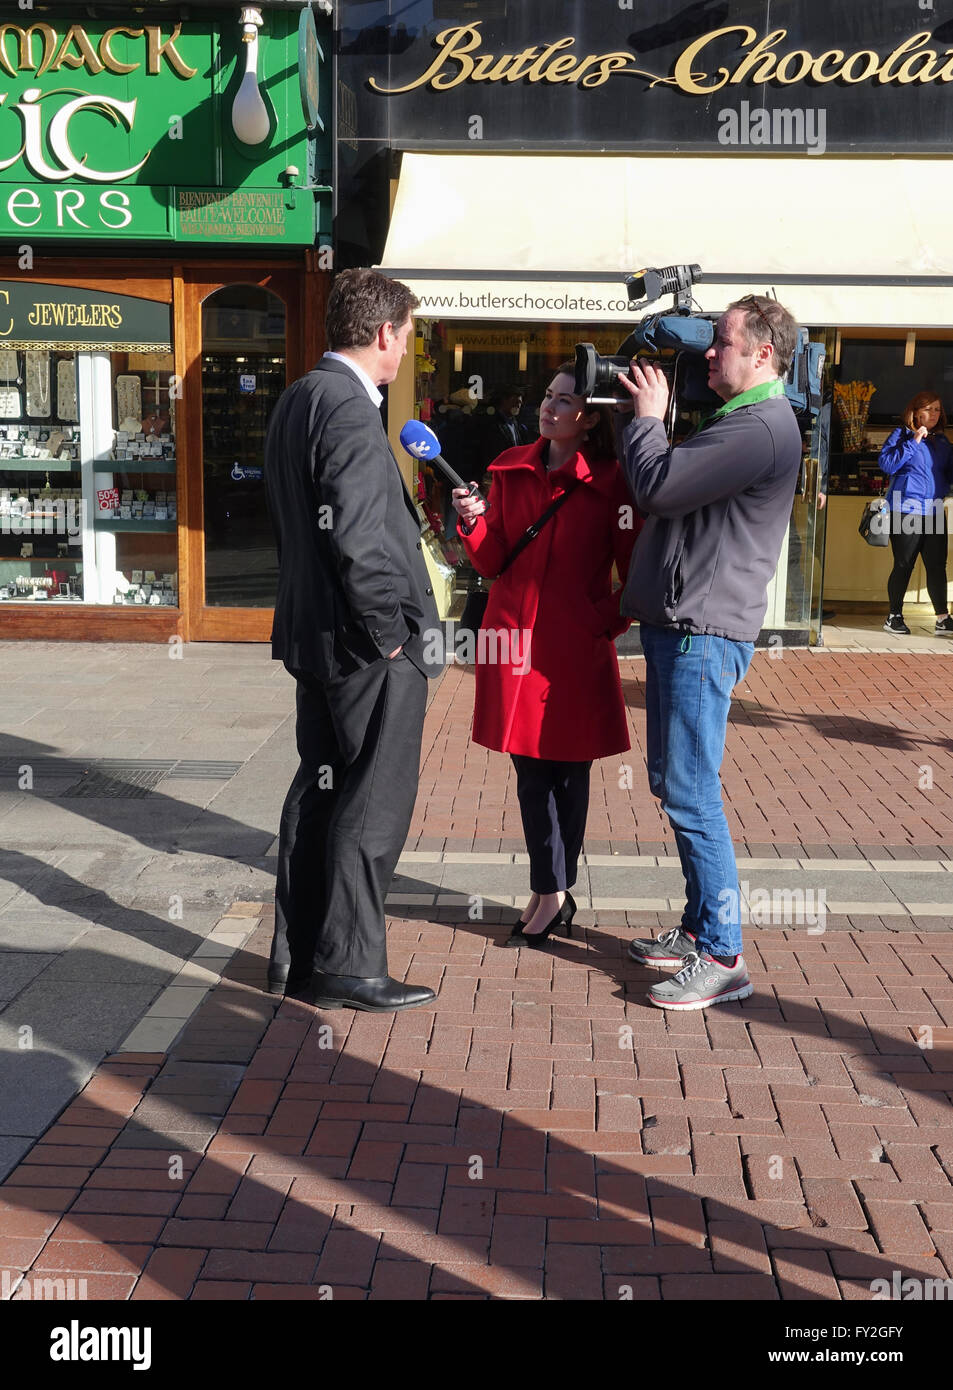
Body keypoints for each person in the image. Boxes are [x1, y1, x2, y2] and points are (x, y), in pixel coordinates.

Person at [617, 295, 803, 1010]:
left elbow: (659, 486)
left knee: (691, 791)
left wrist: (644, 421)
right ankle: (699, 929)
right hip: (684, 624)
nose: (707, 353)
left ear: (762, 354)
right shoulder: (737, 420)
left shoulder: (758, 427)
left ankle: (723, 953)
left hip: (703, 631)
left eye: (721, 342)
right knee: (673, 780)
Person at [264, 268, 442, 1013]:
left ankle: (299, 959)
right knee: (371, 802)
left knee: (324, 788)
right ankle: (349, 965)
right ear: (383, 333)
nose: (406, 347)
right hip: (363, 647)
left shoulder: (301, 396)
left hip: (319, 639)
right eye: (407, 334)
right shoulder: (344, 407)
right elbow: (361, 542)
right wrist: (390, 637)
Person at [452, 364, 640, 948]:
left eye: (565, 401)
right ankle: (550, 887)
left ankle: (553, 887)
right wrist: (472, 524)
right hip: (511, 642)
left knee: (569, 774)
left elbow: (633, 580)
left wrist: (596, 625)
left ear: (589, 418)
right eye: (548, 397)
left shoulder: (614, 485)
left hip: (571, 651)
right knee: (530, 772)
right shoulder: (509, 472)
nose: (549, 408)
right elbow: (491, 562)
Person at [879, 391, 953, 635]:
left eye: (937, 410)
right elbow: (887, 464)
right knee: (904, 564)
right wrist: (914, 441)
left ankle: (942, 618)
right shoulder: (902, 435)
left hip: (933, 509)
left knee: (936, 565)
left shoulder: (941, 442)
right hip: (906, 507)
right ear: (915, 411)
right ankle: (894, 616)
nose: (934, 414)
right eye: (929, 409)